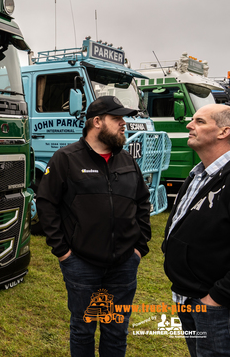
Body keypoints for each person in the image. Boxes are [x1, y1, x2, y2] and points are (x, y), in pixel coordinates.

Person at [38, 96, 151, 357]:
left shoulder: (127, 161)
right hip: (82, 264)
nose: (124, 124)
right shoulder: (65, 159)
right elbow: (46, 205)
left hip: (123, 264)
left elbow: (142, 201)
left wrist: (139, 247)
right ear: (97, 121)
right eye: (117, 118)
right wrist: (63, 252)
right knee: (83, 328)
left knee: (116, 329)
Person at [163, 103, 230, 357]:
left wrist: (217, 297)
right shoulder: (199, 173)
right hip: (187, 297)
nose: (189, 125)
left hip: (216, 305)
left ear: (224, 131)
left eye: (200, 121)